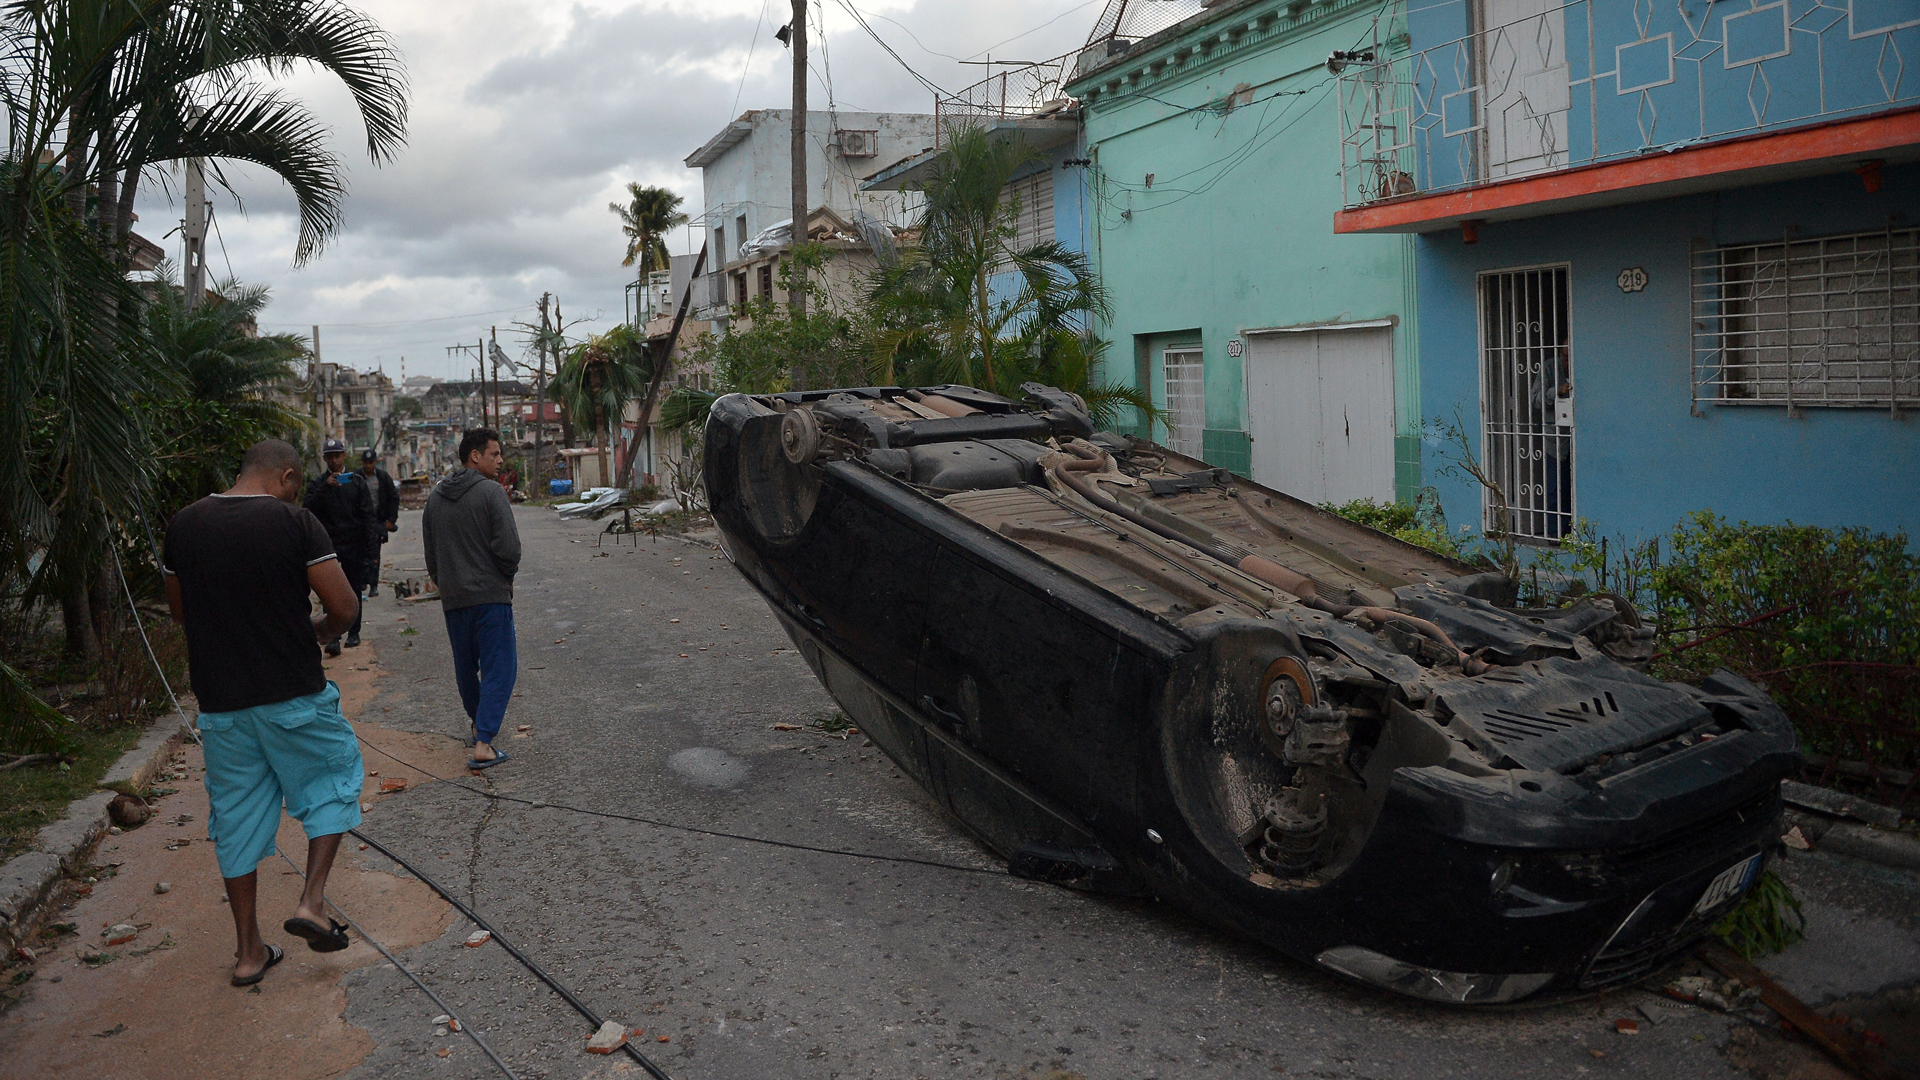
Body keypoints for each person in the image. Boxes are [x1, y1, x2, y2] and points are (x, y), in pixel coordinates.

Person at [163, 438, 364, 986]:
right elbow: (344, 607)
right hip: (293, 695)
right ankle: (312, 903)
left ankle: (250, 953)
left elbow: (182, 613)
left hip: (223, 707)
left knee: (235, 819)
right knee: (332, 781)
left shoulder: (183, 526)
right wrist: (314, 635)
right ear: (289, 476)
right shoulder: (296, 524)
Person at [422, 428, 521, 770]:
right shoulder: (492, 493)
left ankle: (480, 725)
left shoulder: (435, 499)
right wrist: (503, 578)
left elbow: (431, 556)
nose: (499, 460)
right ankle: (483, 744)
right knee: (500, 666)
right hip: (490, 596)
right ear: (474, 456)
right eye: (494, 454)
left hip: (454, 598)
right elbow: (509, 549)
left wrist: (447, 584)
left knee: (466, 667)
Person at [304, 438, 375, 653]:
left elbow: (367, 516)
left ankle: (354, 632)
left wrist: (371, 551)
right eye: (330, 456)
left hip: (354, 546)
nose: (334, 460)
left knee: (353, 590)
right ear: (325, 459)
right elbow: (307, 510)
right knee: (330, 593)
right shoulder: (318, 485)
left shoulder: (357, 482)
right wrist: (326, 488)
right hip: (328, 548)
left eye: (337, 455)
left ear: (344, 456)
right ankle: (333, 636)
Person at [358, 449, 400, 596]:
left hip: (377, 522)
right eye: (366, 462)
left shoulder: (382, 477)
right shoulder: (356, 477)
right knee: (360, 553)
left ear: (375, 462)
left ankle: (373, 585)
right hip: (360, 521)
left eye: (371, 462)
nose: (368, 465)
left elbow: (394, 497)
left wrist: (391, 520)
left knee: (374, 553)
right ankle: (362, 581)